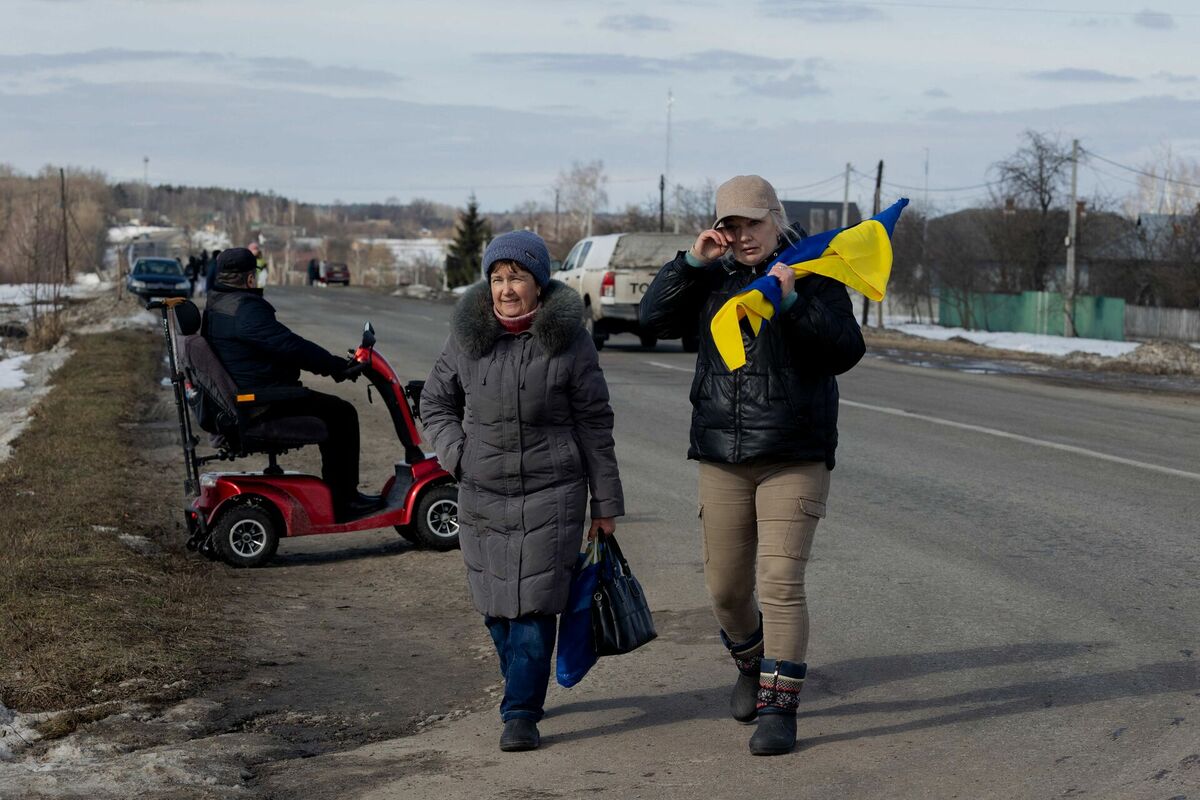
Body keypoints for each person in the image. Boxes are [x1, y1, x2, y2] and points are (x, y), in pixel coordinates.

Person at [639, 175, 866, 756]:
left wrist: (790, 304)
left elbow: (845, 350)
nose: (743, 236)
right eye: (731, 225)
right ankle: (751, 662)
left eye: (753, 224)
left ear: (776, 219)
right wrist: (690, 262)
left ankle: (779, 708)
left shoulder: (815, 270)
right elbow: (651, 320)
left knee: (781, 584)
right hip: (722, 455)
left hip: (794, 454)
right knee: (725, 590)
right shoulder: (711, 276)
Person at [420, 230, 624, 753]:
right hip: (481, 490)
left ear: (538, 282)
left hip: (551, 491)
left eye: (517, 277)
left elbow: (595, 424)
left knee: (533, 606)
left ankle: (521, 712)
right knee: (495, 608)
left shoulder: (570, 341)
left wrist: (606, 505)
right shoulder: (466, 337)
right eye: (497, 278)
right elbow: (435, 403)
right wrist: (456, 454)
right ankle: (522, 685)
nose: (506, 289)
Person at [201, 247, 380, 519]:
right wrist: (336, 367)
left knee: (333, 409)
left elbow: (278, 346)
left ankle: (341, 496)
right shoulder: (244, 310)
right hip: (263, 402)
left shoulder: (219, 302)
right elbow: (289, 345)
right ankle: (345, 500)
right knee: (341, 413)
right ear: (250, 278)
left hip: (251, 395)